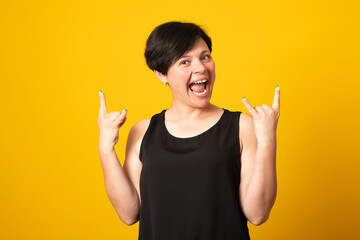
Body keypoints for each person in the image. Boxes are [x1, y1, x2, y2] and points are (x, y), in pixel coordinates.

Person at [97, 21, 280, 240]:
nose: (201, 67)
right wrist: (105, 149)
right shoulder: (142, 132)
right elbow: (129, 214)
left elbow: (258, 214)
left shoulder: (242, 126)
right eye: (185, 61)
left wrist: (268, 140)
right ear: (161, 74)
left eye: (205, 57)